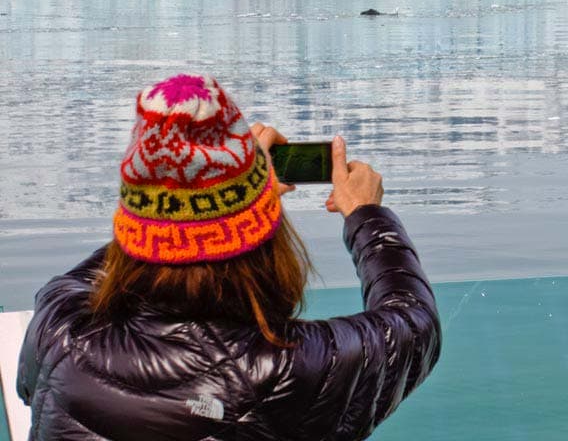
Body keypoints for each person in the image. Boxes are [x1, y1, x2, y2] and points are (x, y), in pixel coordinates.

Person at [17, 72, 441, 441]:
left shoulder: (59, 329)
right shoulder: (290, 369)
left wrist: (214, 190)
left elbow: (120, 256)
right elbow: (412, 322)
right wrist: (366, 213)